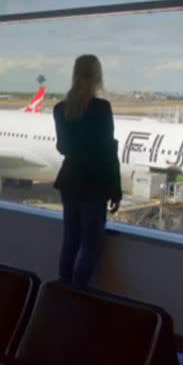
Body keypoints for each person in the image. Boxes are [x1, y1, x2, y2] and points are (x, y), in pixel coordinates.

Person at [52, 54, 122, 288]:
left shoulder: (60, 108)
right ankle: (78, 295)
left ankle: (62, 293)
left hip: (69, 179)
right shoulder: (102, 108)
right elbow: (108, 152)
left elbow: (62, 147)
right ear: (98, 77)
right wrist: (116, 190)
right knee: (90, 245)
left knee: (70, 241)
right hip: (95, 183)